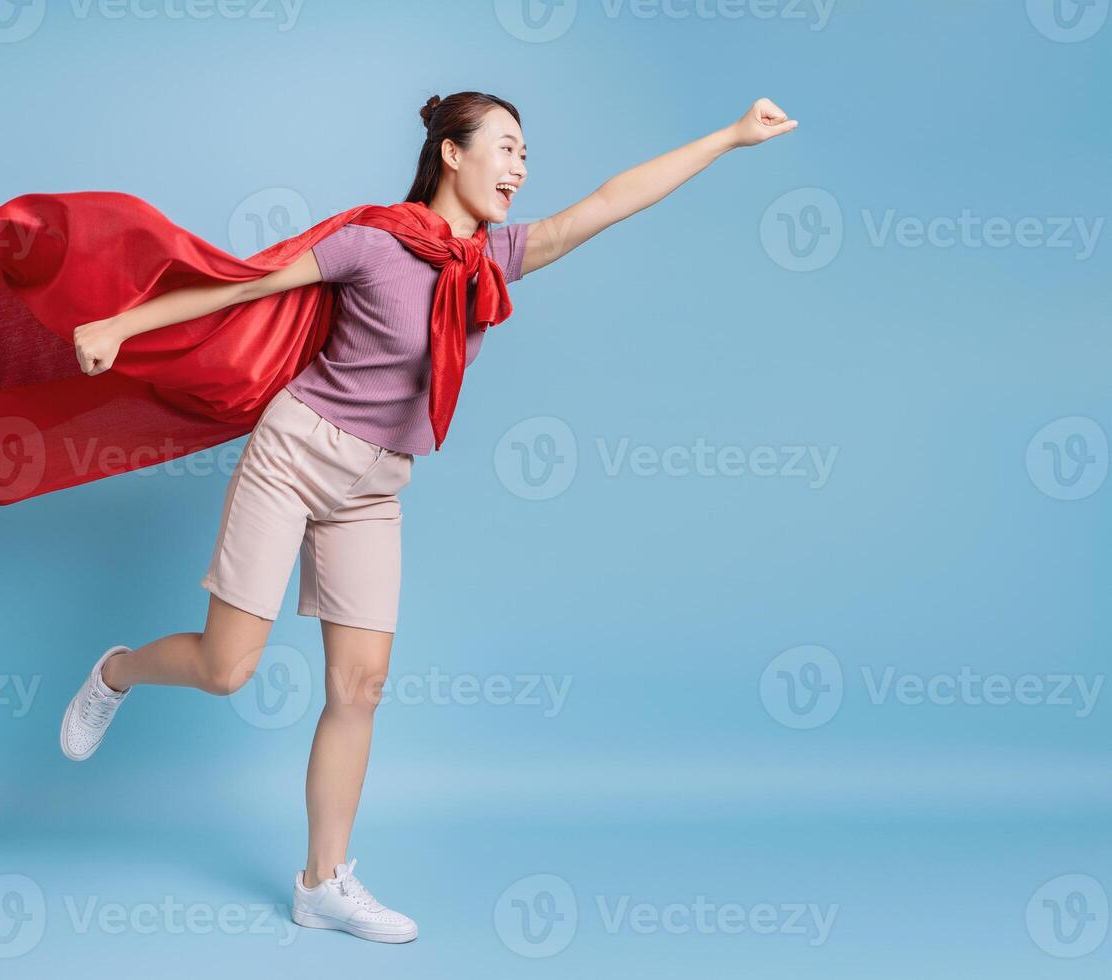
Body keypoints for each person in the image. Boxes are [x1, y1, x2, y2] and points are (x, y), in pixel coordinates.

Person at [59, 90, 798, 944]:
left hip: (376, 484)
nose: (521, 168)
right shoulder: (373, 242)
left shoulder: (492, 261)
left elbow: (610, 200)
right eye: (507, 148)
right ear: (452, 153)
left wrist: (731, 137)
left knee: (359, 686)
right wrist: (122, 323)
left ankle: (322, 883)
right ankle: (118, 672)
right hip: (296, 456)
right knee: (228, 669)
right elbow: (244, 284)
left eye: (527, 154)